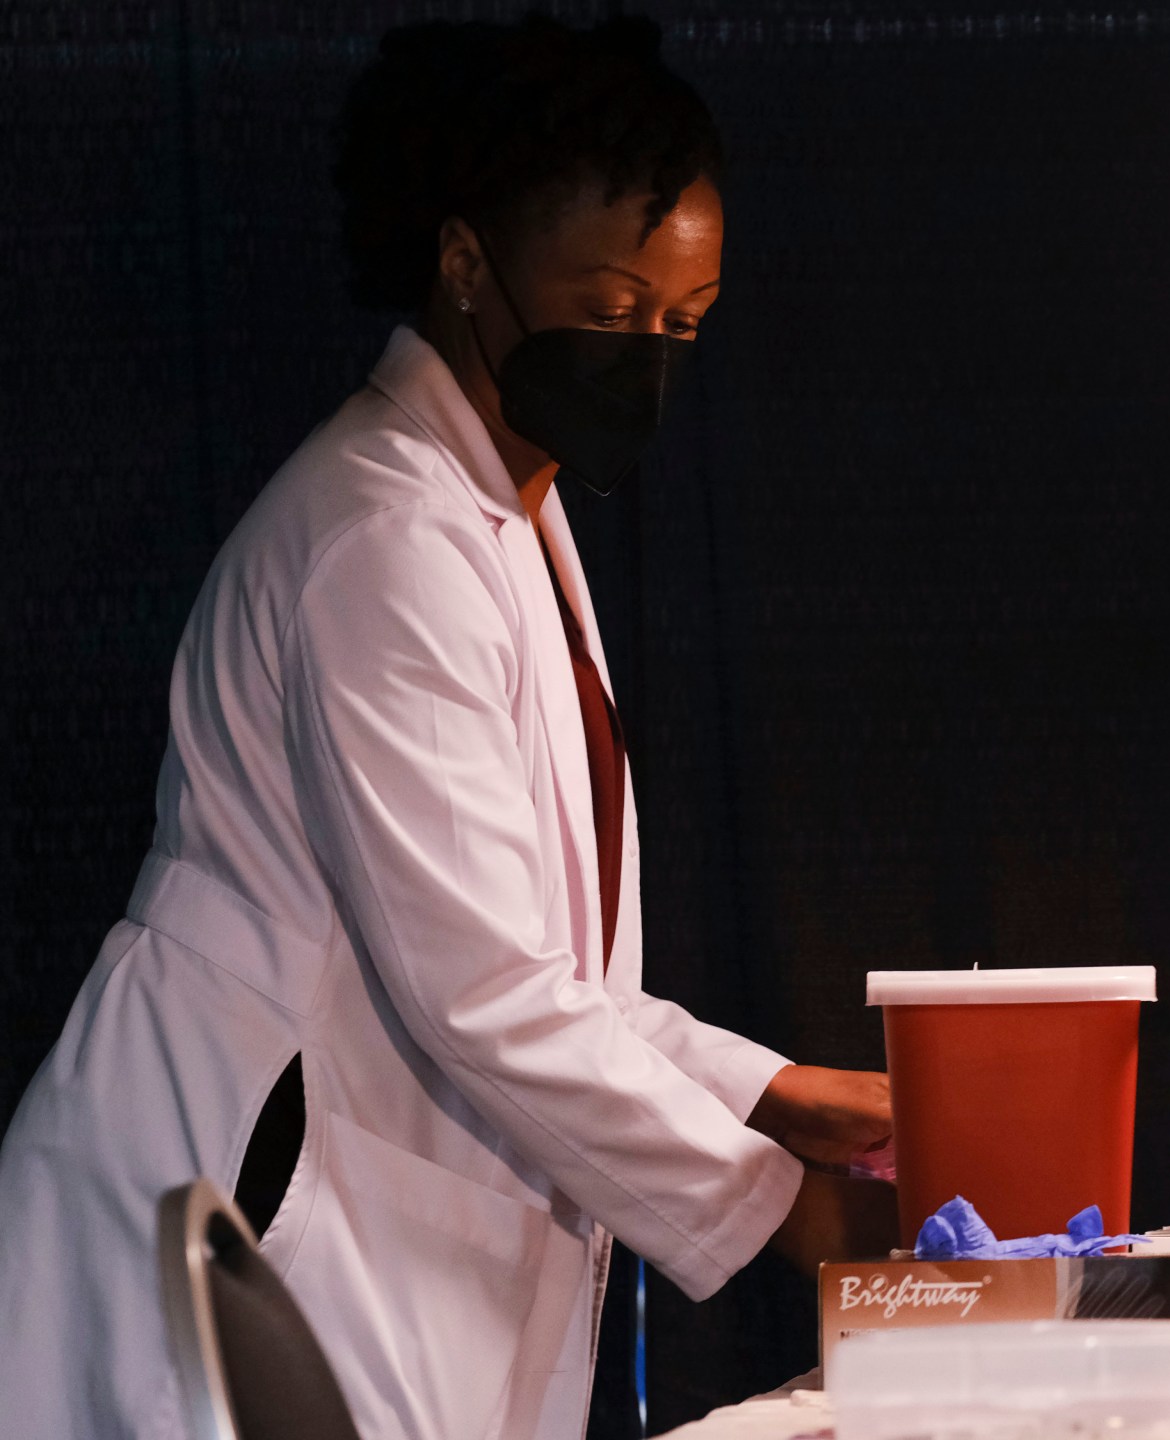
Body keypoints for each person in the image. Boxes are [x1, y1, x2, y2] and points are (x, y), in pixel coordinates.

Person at [0, 17, 890, 1439]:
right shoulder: (385, 535)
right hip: (243, 1188)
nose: (647, 354)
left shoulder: (504, 510)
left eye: (684, 322)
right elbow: (483, 992)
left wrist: (776, 1093)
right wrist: (786, 1207)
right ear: (468, 261)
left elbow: (539, 969)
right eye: (612, 305)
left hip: (347, 1198)